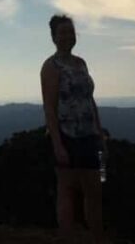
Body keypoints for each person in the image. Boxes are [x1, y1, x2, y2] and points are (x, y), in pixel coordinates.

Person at [41, 14, 107, 242]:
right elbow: (49, 107)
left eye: (71, 32)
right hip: (67, 136)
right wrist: (57, 144)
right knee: (67, 190)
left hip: (90, 136)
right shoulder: (50, 67)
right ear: (54, 37)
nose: (68, 36)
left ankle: (97, 237)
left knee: (97, 187)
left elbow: (90, 100)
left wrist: (100, 134)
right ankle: (67, 237)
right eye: (62, 32)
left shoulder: (81, 63)